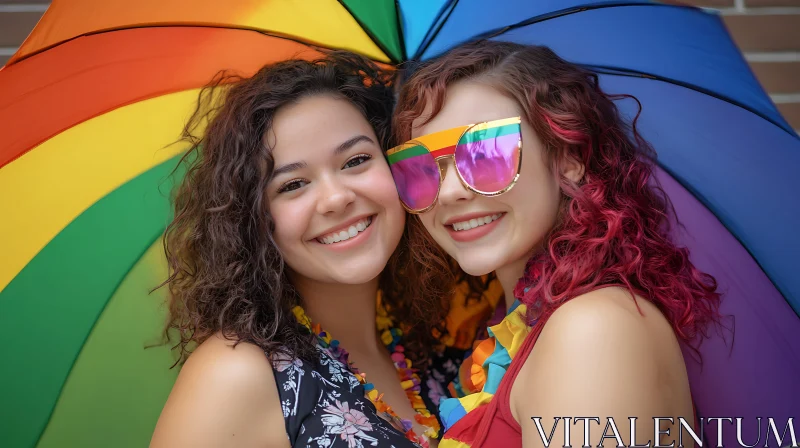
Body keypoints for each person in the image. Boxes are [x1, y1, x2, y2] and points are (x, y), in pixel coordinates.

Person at [388, 41, 723, 448]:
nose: (449, 192)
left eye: (485, 152)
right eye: (420, 168)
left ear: (568, 158)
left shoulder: (594, 329)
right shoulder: (520, 324)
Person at [150, 51, 451, 448]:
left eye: (356, 160)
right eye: (292, 185)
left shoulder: (424, 340)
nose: (335, 198)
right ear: (250, 219)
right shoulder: (236, 373)